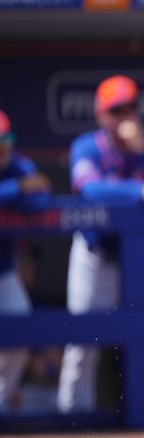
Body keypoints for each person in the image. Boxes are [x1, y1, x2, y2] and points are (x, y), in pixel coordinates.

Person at [59, 75, 144, 413]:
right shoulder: (86, 147)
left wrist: (143, 154)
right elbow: (88, 189)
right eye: (116, 110)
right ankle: (72, 419)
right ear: (101, 115)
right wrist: (139, 190)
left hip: (138, 262)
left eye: (130, 107)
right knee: (82, 343)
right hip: (95, 256)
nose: (125, 116)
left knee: (143, 339)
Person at [0, 110, 52, 412]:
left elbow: (41, 198)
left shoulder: (17, 165)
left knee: (20, 335)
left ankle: (3, 405)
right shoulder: (17, 178)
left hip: (4, 273)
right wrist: (17, 190)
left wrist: (20, 193)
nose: (4, 148)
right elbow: (28, 189)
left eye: (7, 140)